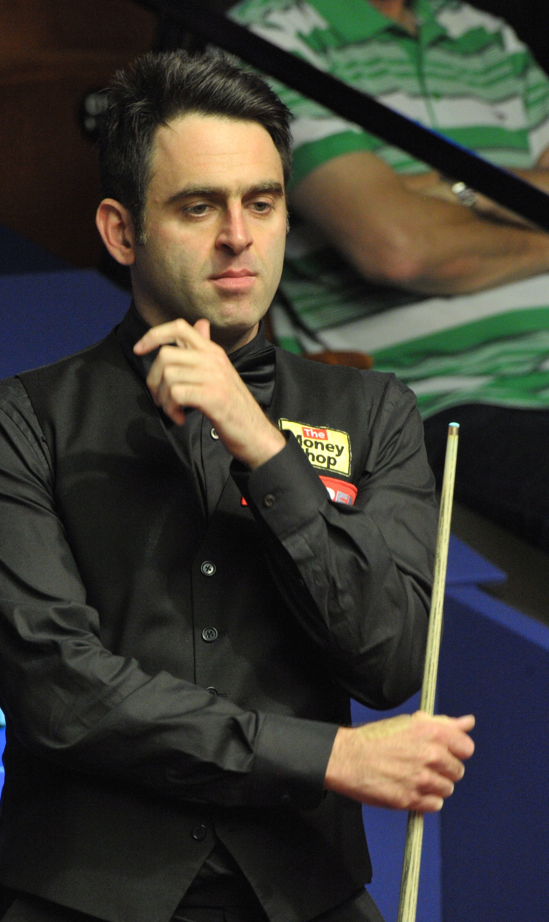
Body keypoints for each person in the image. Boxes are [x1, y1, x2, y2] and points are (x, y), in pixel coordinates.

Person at [0, 51, 474, 922]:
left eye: (262, 203)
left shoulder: (374, 414)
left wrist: (261, 446)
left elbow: (388, 656)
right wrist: (328, 756)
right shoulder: (11, 427)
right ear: (121, 230)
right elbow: (62, 693)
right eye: (198, 207)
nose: (237, 237)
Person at [229, 0, 549, 552]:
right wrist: (519, 197)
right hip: (438, 404)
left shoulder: (484, 35)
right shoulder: (271, 36)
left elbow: (407, 232)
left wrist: (437, 188)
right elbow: (398, 249)